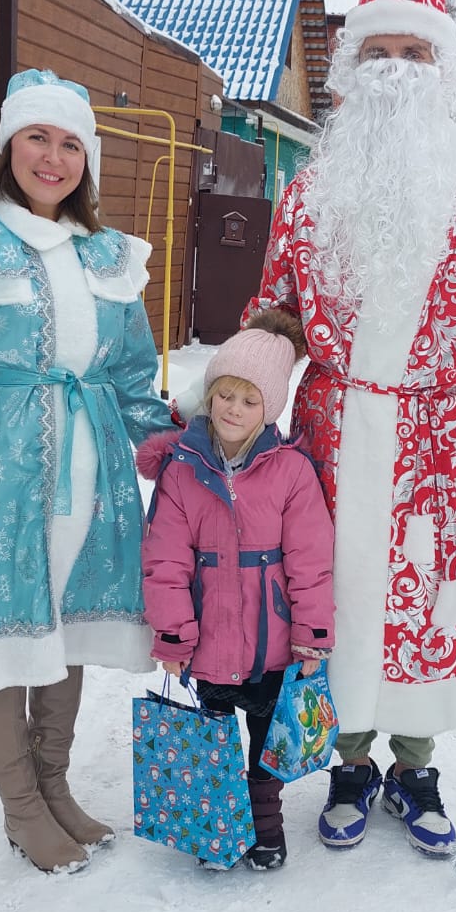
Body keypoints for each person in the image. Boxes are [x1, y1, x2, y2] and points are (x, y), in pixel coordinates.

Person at [243, 0, 456, 857]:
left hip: (437, 430)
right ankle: (349, 762)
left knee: (429, 594)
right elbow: (273, 313)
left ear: (441, 68)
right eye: (377, 50)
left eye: (413, 54)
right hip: (332, 431)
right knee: (331, 592)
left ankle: (415, 764)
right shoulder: (309, 191)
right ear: (350, 70)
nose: (394, 68)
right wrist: (233, 409)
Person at [0, 69, 178, 874]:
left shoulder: (108, 255)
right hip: (1, 470)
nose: (52, 158)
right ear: (8, 146)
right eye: (36, 138)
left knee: (69, 624)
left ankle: (54, 786)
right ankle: (21, 807)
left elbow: (127, 376)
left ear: (86, 159)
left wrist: (179, 448)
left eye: (68, 143)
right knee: (3, 630)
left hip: (92, 467)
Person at [136, 310, 335, 871]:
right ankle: (217, 819)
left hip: (272, 643)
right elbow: (166, 560)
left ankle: (265, 823)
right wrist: (173, 634)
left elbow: (311, 561)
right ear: (210, 395)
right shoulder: (183, 470)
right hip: (209, 641)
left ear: (268, 408)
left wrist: (312, 633)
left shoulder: (291, 472)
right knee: (215, 735)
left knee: (266, 739)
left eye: (250, 401)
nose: (233, 410)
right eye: (225, 394)